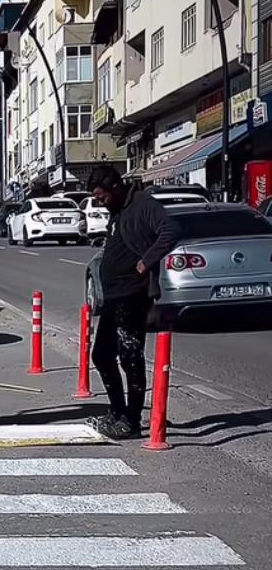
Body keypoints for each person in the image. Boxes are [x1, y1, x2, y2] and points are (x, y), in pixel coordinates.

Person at [87, 165, 181, 441]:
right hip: (114, 296)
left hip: (132, 294)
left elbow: (171, 230)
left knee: (130, 356)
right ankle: (117, 412)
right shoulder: (117, 210)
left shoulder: (143, 204)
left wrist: (146, 261)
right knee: (101, 355)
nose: (100, 203)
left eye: (102, 197)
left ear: (116, 188)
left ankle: (132, 420)